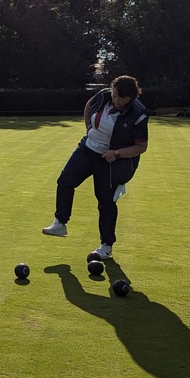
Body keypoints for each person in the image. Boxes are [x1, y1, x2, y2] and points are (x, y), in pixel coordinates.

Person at [42, 75, 149, 260]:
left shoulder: (138, 114)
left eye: (121, 98)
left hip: (110, 160)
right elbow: (89, 105)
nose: (116, 100)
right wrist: (90, 130)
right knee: (65, 181)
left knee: (105, 201)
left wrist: (116, 153)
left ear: (131, 97)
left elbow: (141, 147)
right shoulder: (102, 96)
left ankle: (106, 246)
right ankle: (60, 223)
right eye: (114, 95)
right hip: (87, 149)